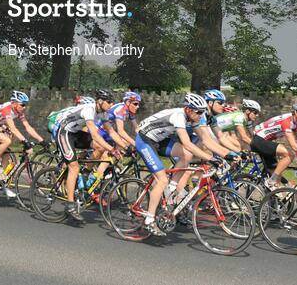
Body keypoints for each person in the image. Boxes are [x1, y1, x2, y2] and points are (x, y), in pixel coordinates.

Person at [134, 94, 221, 236]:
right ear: (188, 109)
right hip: (145, 140)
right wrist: (210, 158)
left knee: (186, 154)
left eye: (203, 112)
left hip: (159, 139)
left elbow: (205, 139)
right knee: (161, 179)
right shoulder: (178, 116)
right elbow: (187, 143)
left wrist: (224, 155)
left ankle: (171, 188)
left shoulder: (190, 118)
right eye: (198, 112)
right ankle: (149, 220)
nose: (201, 115)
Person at [51, 89, 115, 221]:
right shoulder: (89, 110)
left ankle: (85, 173)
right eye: (109, 102)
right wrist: (112, 149)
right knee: (73, 167)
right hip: (64, 132)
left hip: (76, 133)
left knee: (100, 148)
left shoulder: (103, 113)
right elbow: (95, 134)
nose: (111, 104)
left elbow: (112, 132)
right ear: (100, 101)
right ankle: (69, 205)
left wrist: (126, 147)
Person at [0, 91, 45, 194]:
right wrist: (25, 141)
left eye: (25, 105)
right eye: (22, 105)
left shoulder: (18, 112)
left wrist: (42, 140)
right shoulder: (7, 108)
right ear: (14, 103)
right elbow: (13, 128)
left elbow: (28, 127)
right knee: (7, 140)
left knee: (6, 156)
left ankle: (0, 180)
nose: (24, 107)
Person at [251, 100, 297, 189]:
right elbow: (294, 146)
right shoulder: (286, 122)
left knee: (277, 172)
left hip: (264, 141)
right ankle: (271, 181)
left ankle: (272, 196)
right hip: (258, 140)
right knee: (289, 155)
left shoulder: (294, 123)